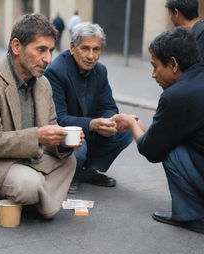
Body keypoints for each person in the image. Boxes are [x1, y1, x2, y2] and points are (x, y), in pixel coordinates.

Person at [0, 13, 83, 220]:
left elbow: (50, 129)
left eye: (51, 51)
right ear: (17, 47)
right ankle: (17, 196)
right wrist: (39, 136)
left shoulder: (43, 83)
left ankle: (33, 201)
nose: (48, 59)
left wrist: (63, 143)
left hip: (30, 159)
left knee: (70, 161)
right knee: (29, 184)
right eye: (41, 50)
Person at [112, 26, 204, 233]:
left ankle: (193, 215)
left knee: (171, 151)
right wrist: (147, 131)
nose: (153, 75)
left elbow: (152, 151)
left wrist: (131, 124)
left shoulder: (177, 95)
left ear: (173, 64)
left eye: (155, 67)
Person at [45, 22, 133, 194]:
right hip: (65, 135)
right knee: (76, 141)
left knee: (126, 130)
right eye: (85, 48)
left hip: (90, 131)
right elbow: (59, 117)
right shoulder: (56, 71)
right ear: (72, 47)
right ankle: (69, 173)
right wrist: (92, 124)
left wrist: (111, 121)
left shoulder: (100, 71)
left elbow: (108, 105)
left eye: (96, 49)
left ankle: (86, 170)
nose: (91, 56)